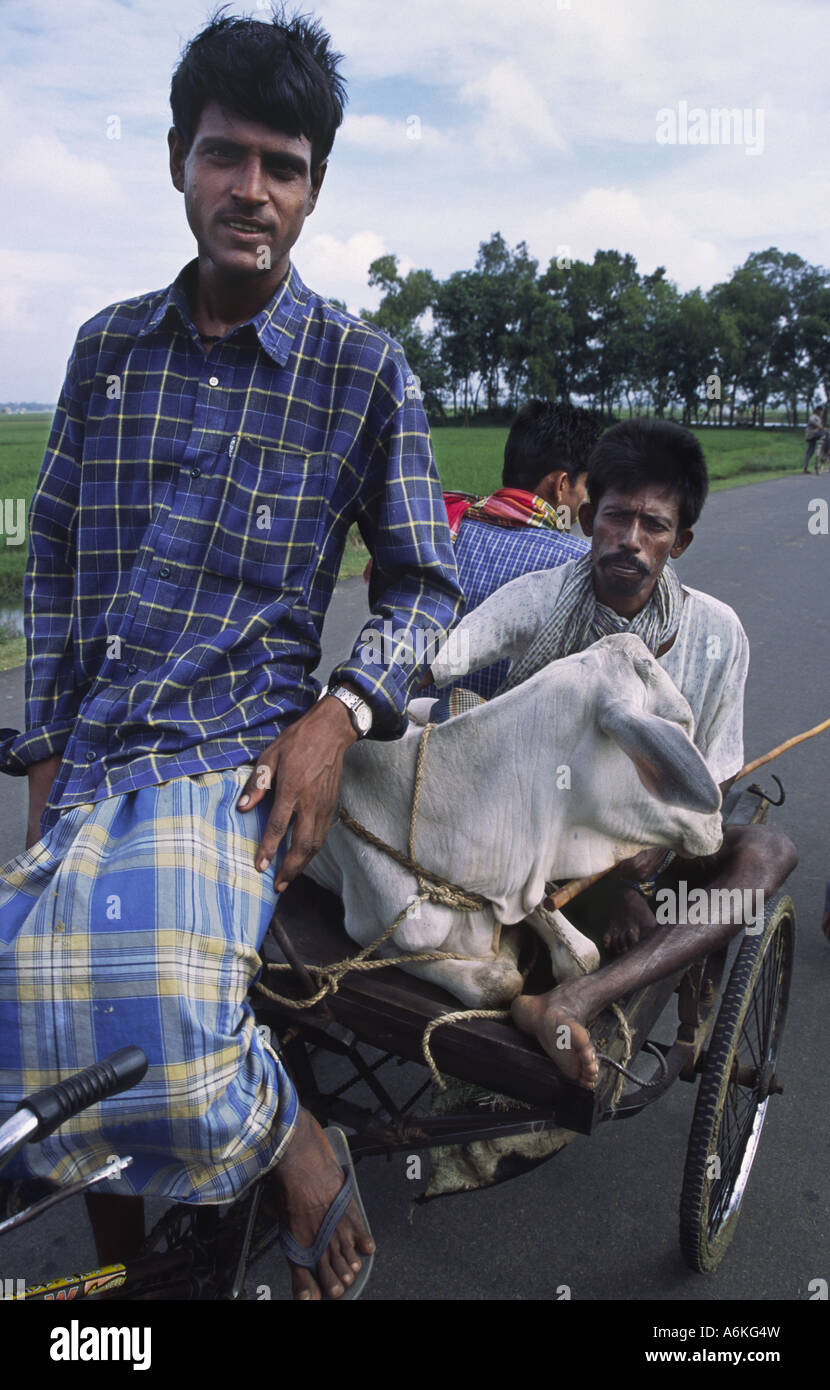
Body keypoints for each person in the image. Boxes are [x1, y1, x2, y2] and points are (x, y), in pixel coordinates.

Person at [0, 11, 463, 1300]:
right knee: (23, 1012)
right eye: (225, 156)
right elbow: (54, 563)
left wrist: (338, 713)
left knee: (156, 1003)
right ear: (175, 161)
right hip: (98, 746)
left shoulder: (363, 371)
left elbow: (423, 582)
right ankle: (115, 1286)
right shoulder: (104, 350)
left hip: (240, 757)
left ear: (316, 186)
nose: (250, 190)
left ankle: (298, 1149)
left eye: (284, 163)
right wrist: (43, 750)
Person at [429, 418, 797, 1088]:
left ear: (679, 540)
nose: (631, 539)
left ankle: (575, 999)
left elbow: (717, 771)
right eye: (615, 517)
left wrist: (647, 857)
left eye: (653, 525)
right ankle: (581, 950)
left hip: (663, 838)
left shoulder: (717, 635)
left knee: (768, 853)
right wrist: (365, 701)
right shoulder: (540, 601)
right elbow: (447, 657)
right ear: (586, 521)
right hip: (539, 843)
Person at [418, 400, 601, 699]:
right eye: (584, 487)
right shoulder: (577, 564)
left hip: (413, 732)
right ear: (561, 484)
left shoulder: (441, 529)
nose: (584, 500)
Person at [803, 404, 827, 473]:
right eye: (820, 411)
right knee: (827, 434)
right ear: (818, 410)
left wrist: (823, 428)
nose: (821, 412)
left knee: (810, 451)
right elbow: (817, 425)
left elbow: (820, 427)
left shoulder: (818, 418)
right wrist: (823, 428)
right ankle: (827, 448)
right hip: (812, 435)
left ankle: (805, 468)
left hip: (812, 436)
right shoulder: (813, 417)